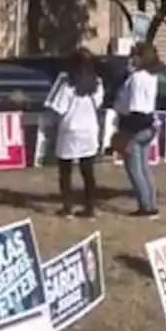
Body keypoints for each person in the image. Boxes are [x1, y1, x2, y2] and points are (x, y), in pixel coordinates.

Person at [44, 48, 105, 218]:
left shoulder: (67, 83)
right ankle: (90, 207)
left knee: (65, 171)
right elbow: (98, 104)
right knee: (88, 171)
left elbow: (59, 107)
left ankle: (68, 207)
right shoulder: (97, 83)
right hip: (90, 130)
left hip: (70, 129)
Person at [114, 41, 161, 219]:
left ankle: (146, 206)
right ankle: (151, 202)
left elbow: (134, 107)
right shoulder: (152, 76)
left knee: (134, 169)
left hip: (134, 126)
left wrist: (126, 133)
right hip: (148, 125)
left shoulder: (136, 79)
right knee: (144, 167)